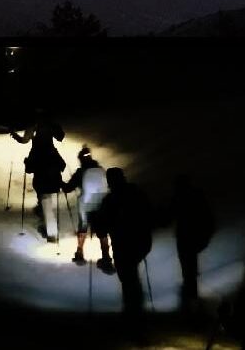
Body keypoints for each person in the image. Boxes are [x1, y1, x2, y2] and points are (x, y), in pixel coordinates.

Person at [92, 168, 154, 341]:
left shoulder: (111, 200)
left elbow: (102, 225)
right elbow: (149, 213)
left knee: (129, 280)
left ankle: (134, 320)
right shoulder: (136, 193)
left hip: (124, 245)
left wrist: (96, 222)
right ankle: (136, 318)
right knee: (131, 279)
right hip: (140, 243)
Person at [10, 113, 66, 242]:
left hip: (39, 161)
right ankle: (48, 224)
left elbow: (24, 140)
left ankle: (51, 231)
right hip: (52, 160)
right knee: (48, 196)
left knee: (44, 195)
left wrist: (14, 135)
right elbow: (61, 137)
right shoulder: (50, 124)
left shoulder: (33, 126)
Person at [170, 174, 215, 311]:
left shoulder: (181, 198)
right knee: (190, 268)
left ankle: (190, 299)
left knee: (188, 269)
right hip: (192, 237)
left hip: (186, 237)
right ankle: (192, 297)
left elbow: (170, 213)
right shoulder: (196, 196)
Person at [62, 145, 111, 267]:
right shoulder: (101, 170)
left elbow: (68, 188)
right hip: (101, 204)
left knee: (83, 226)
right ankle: (106, 257)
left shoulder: (80, 172)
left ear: (81, 159)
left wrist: (60, 183)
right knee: (102, 230)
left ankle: (79, 252)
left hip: (86, 203)